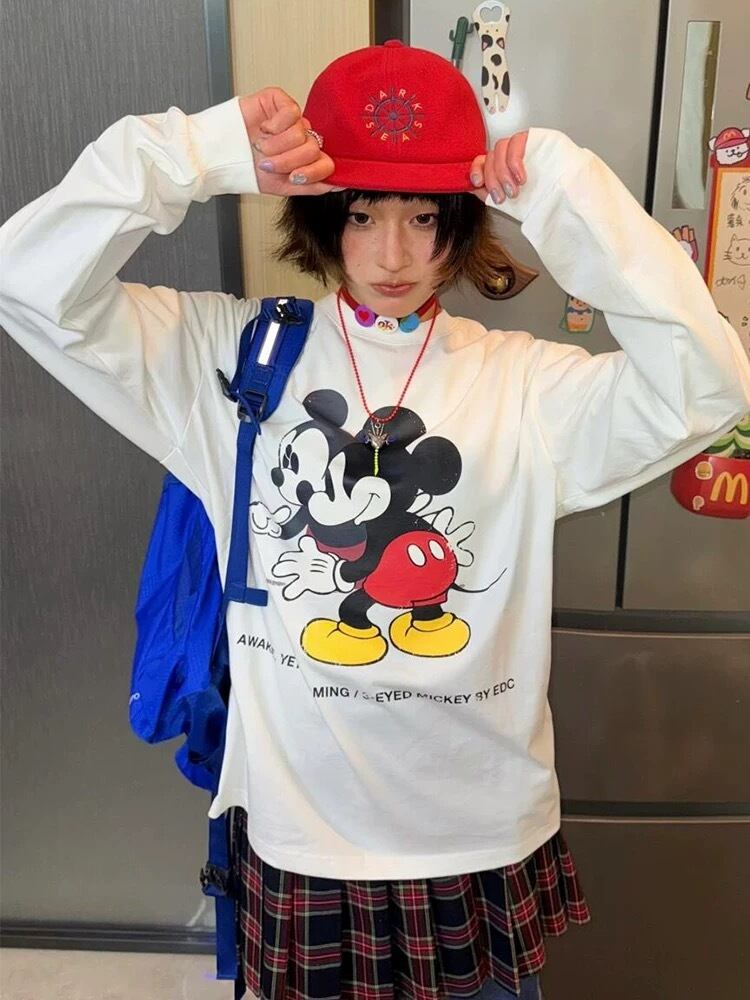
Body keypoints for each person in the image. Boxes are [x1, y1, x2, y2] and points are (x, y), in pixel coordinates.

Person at [1, 39, 748, 1000]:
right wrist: (198, 154)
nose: (394, 255)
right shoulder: (232, 360)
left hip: (475, 837)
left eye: (423, 216)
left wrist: (569, 195)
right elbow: (28, 279)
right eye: (362, 214)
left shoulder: (522, 386)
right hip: (303, 838)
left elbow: (710, 385)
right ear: (323, 217)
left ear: (459, 221)